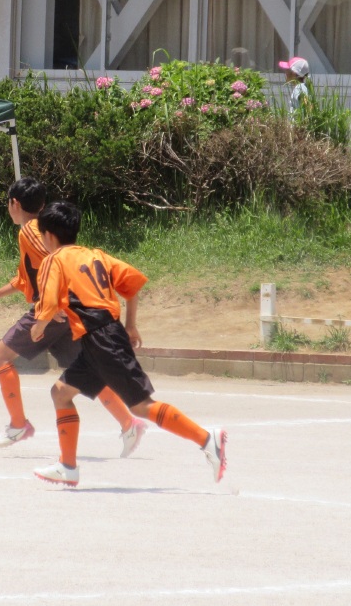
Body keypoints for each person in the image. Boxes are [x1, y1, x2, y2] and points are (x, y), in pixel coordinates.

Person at [29, 201, 228, 487]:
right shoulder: (96, 255)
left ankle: (208, 440)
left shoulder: (54, 259)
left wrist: (39, 326)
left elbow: (47, 303)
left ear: (48, 235)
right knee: (60, 393)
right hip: (99, 337)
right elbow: (132, 285)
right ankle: (68, 467)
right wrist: (131, 325)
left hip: (101, 338)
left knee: (141, 406)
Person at [0, 178, 149, 454]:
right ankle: (129, 423)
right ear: (42, 204)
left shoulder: (29, 231)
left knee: (0, 356)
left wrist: (54, 305)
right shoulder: (37, 231)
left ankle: (18, 424)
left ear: (14, 204)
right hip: (67, 311)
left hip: (53, 311)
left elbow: (57, 262)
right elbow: (24, 279)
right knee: (86, 372)